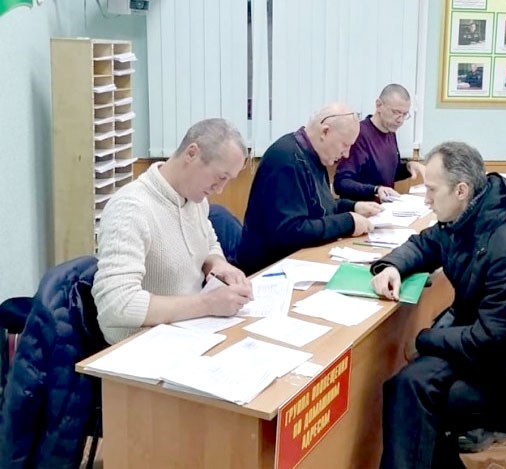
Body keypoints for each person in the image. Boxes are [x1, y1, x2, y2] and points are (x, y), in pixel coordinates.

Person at [371, 141, 506, 468]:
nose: (426, 199)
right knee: (407, 385)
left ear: (461, 190)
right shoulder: (470, 215)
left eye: (432, 190)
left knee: (414, 391)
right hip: (490, 345)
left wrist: (424, 339)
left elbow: (492, 339)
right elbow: (426, 244)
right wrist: (392, 265)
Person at [93, 118, 254, 344]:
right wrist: (208, 303)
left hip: (189, 330)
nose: (220, 189)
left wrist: (218, 264)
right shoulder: (130, 208)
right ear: (192, 153)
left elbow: (209, 244)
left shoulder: (195, 199)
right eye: (220, 177)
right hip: (141, 345)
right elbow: (117, 305)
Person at [237, 103, 382, 274]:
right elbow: (291, 232)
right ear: (325, 132)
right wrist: (348, 222)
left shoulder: (313, 154)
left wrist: (354, 207)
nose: (346, 154)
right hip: (269, 269)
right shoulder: (286, 160)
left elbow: (319, 207)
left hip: (299, 260)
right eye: (345, 144)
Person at [333, 84, 425, 202]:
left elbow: (387, 174)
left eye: (404, 114)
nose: (400, 120)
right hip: (360, 209)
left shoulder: (390, 131)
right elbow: (341, 183)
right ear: (379, 105)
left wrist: (409, 167)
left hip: (384, 207)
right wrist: (375, 190)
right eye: (396, 112)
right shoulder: (359, 134)